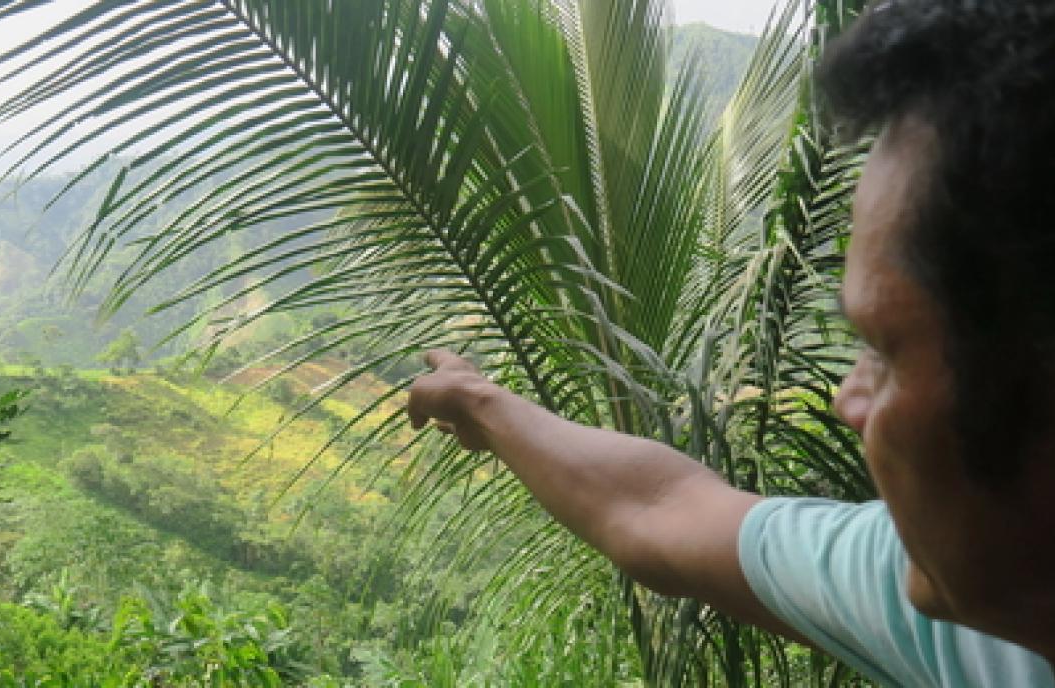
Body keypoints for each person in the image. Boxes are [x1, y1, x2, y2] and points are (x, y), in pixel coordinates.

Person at [405, 1, 1055, 685]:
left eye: (886, 353)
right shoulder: (975, 618)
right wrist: (483, 404)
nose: (846, 401)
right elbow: (660, 508)